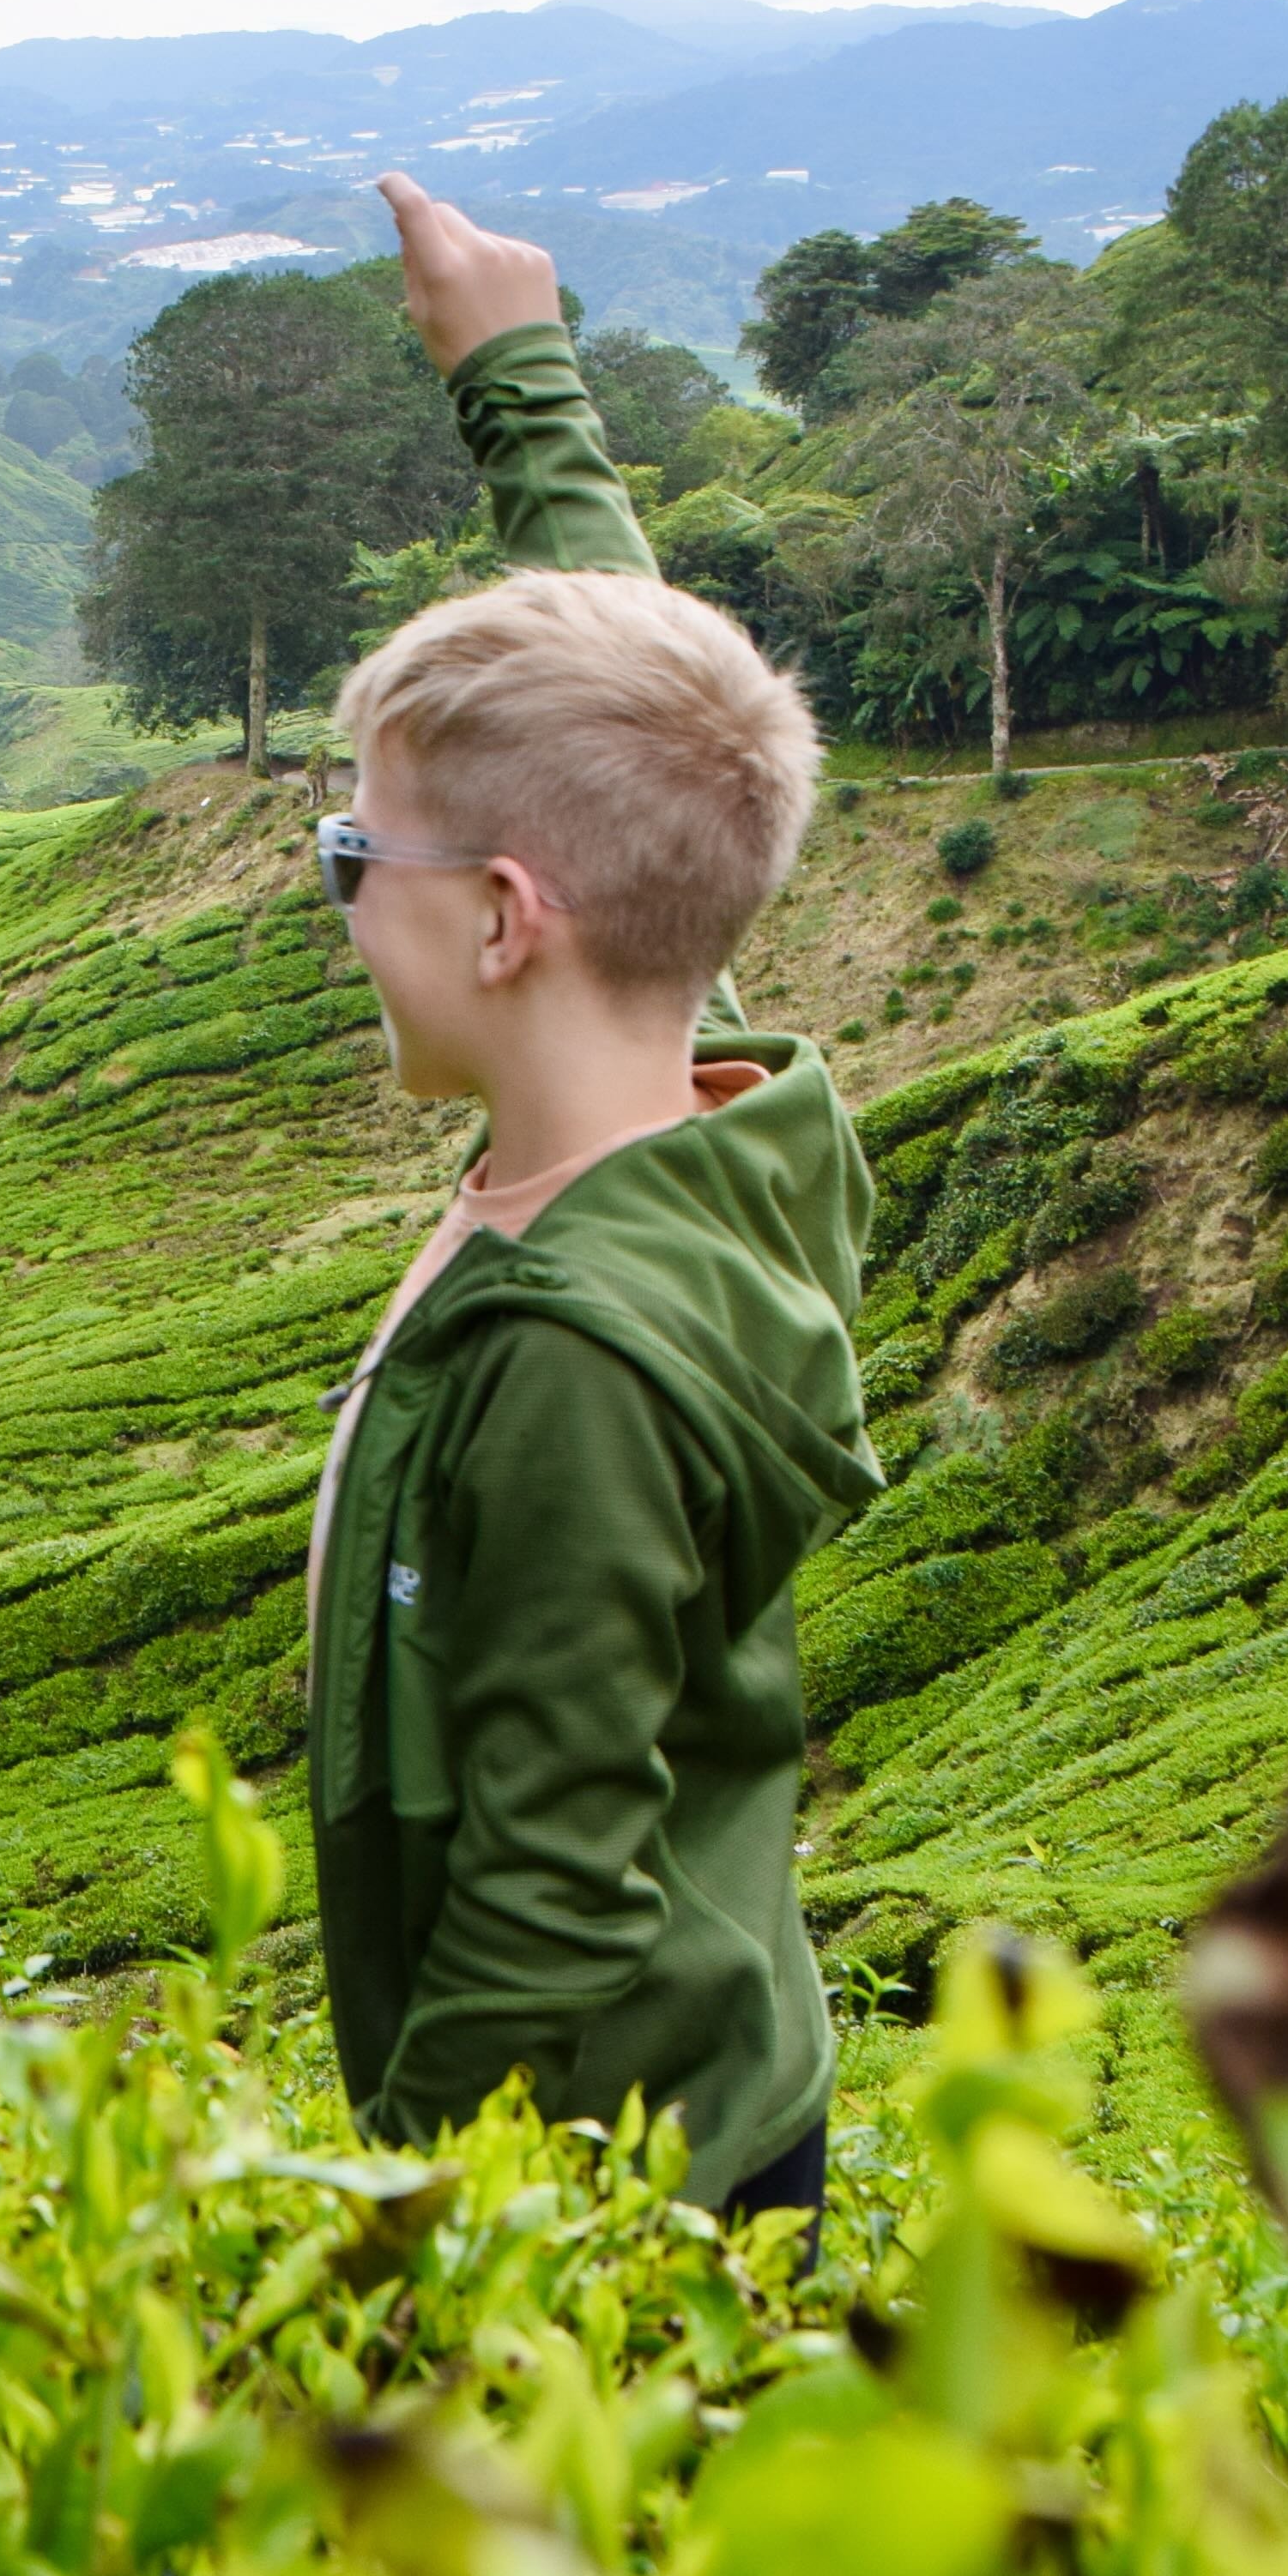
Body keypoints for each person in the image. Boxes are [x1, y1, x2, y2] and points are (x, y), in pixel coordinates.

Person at [301, 173, 877, 2228]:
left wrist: (377, 2258)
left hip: (609, 2195)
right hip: (716, 2087)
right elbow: (639, 725)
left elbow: (544, 1903)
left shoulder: (572, 1360)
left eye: (347, 860)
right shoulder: (714, 1104)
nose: (338, 898)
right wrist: (508, 374)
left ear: (506, 919)